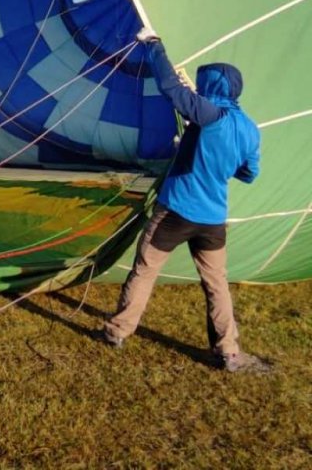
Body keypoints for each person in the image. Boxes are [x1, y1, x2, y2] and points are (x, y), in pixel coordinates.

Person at [102, 29, 265, 373]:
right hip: (212, 220)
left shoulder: (210, 115)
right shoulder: (248, 128)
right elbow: (249, 173)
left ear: (212, 86)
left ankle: (118, 331)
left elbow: (171, 90)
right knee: (216, 284)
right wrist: (211, 159)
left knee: (145, 271)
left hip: (176, 212)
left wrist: (155, 45)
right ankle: (228, 352)